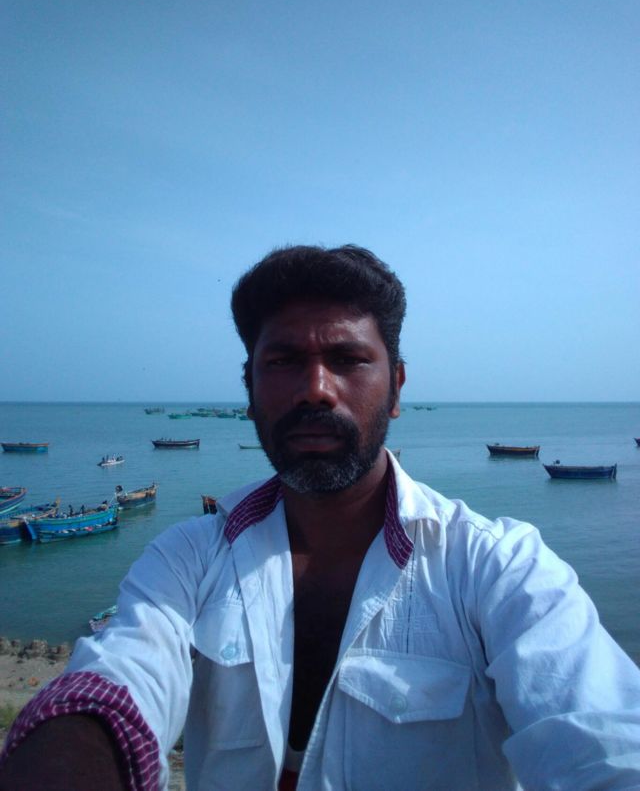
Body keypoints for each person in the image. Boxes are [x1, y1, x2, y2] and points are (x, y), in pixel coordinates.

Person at [1, 244, 639, 791]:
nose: (315, 387)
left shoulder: (495, 568)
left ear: (397, 388)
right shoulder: (187, 560)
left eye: (348, 359)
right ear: (250, 389)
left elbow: (601, 737)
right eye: (283, 361)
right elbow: (119, 680)